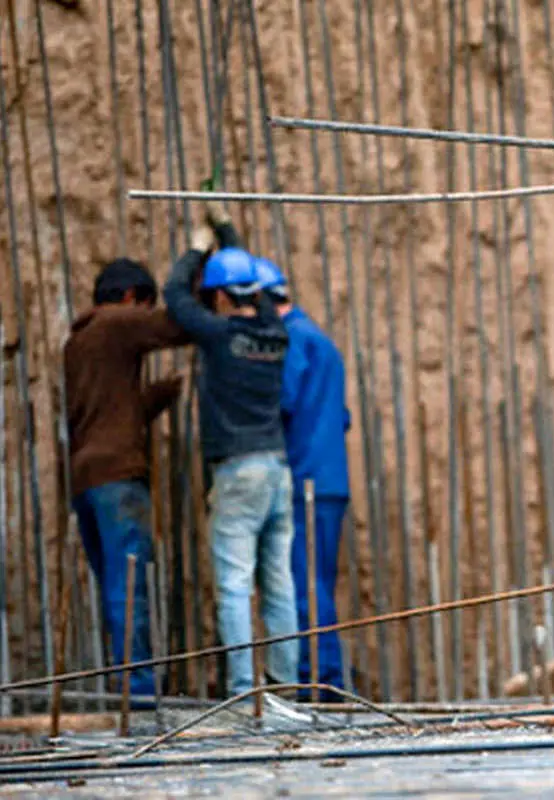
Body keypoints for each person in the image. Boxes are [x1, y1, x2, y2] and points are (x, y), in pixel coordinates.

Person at [163, 204, 298, 698]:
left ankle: (244, 691)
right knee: (279, 584)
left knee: (235, 585)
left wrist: (198, 248)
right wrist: (226, 232)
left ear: (219, 295)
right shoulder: (275, 332)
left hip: (239, 471)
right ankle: (283, 685)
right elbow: (253, 287)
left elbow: (175, 296)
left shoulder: (221, 337)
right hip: (277, 469)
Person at [65, 259, 189, 705]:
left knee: (115, 585)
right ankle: (136, 693)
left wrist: (157, 396)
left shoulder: (78, 340)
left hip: (85, 478)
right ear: (131, 297)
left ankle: (127, 686)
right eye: (144, 306)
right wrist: (190, 278)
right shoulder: (117, 322)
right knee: (130, 585)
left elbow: (110, 411)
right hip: (118, 477)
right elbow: (177, 326)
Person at [255, 257, 351, 699]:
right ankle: (324, 679)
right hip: (330, 478)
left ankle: (321, 684)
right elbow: (341, 416)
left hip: (305, 480)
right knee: (318, 581)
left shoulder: (292, 338)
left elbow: (282, 400)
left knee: (305, 584)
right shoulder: (321, 340)